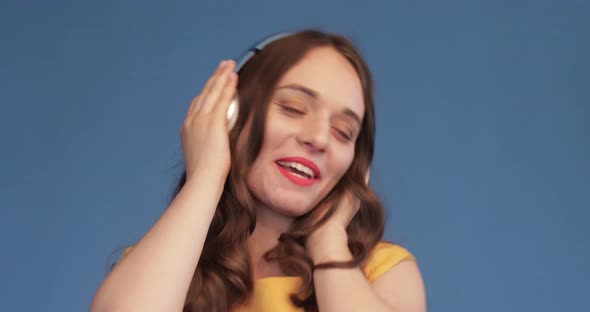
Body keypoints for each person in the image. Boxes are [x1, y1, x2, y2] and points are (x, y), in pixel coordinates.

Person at [90, 29, 426, 312]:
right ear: (230, 116)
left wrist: (328, 241)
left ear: (356, 163)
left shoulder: (383, 272)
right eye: (293, 108)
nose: (320, 138)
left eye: (343, 132)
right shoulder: (161, 263)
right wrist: (207, 174)